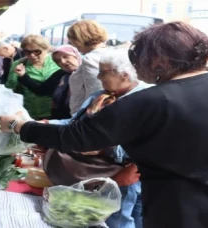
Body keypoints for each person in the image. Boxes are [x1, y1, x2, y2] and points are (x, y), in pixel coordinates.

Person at [0, 22, 208, 228]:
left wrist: (18, 126)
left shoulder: (149, 100)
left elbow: (74, 136)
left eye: (138, 57)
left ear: (160, 60)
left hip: (178, 209)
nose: (134, 66)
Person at [46, 48, 152, 228]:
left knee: (119, 219)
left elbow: (150, 142)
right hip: (102, 170)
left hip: (125, 172)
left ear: (124, 75)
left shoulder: (145, 99)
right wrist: (44, 125)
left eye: (102, 72)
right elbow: (76, 125)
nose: (98, 77)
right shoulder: (100, 97)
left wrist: (104, 148)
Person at [16, 44, 82, 119]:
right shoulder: (61, 74)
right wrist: (23, 75)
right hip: (59, 119)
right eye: (58, 61)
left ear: (76, 55)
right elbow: (41, 90)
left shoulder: (88, 74)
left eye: (65, 56)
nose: (63, 61)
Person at [5, 34, 60, 119]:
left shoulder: (57, 61)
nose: (32, 55)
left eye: (36, 51)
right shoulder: (19, 64)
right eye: (27, 52)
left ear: (46, 49)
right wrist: (14, 75)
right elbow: (10, 87)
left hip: (57, 111)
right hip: (31, 112)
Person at [67, 19, 108, 114]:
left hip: (87, 115)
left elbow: (95, 91)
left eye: (71, 40)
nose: (72, 44)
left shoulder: (90, 59)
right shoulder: (113, 53)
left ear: (77, 39)